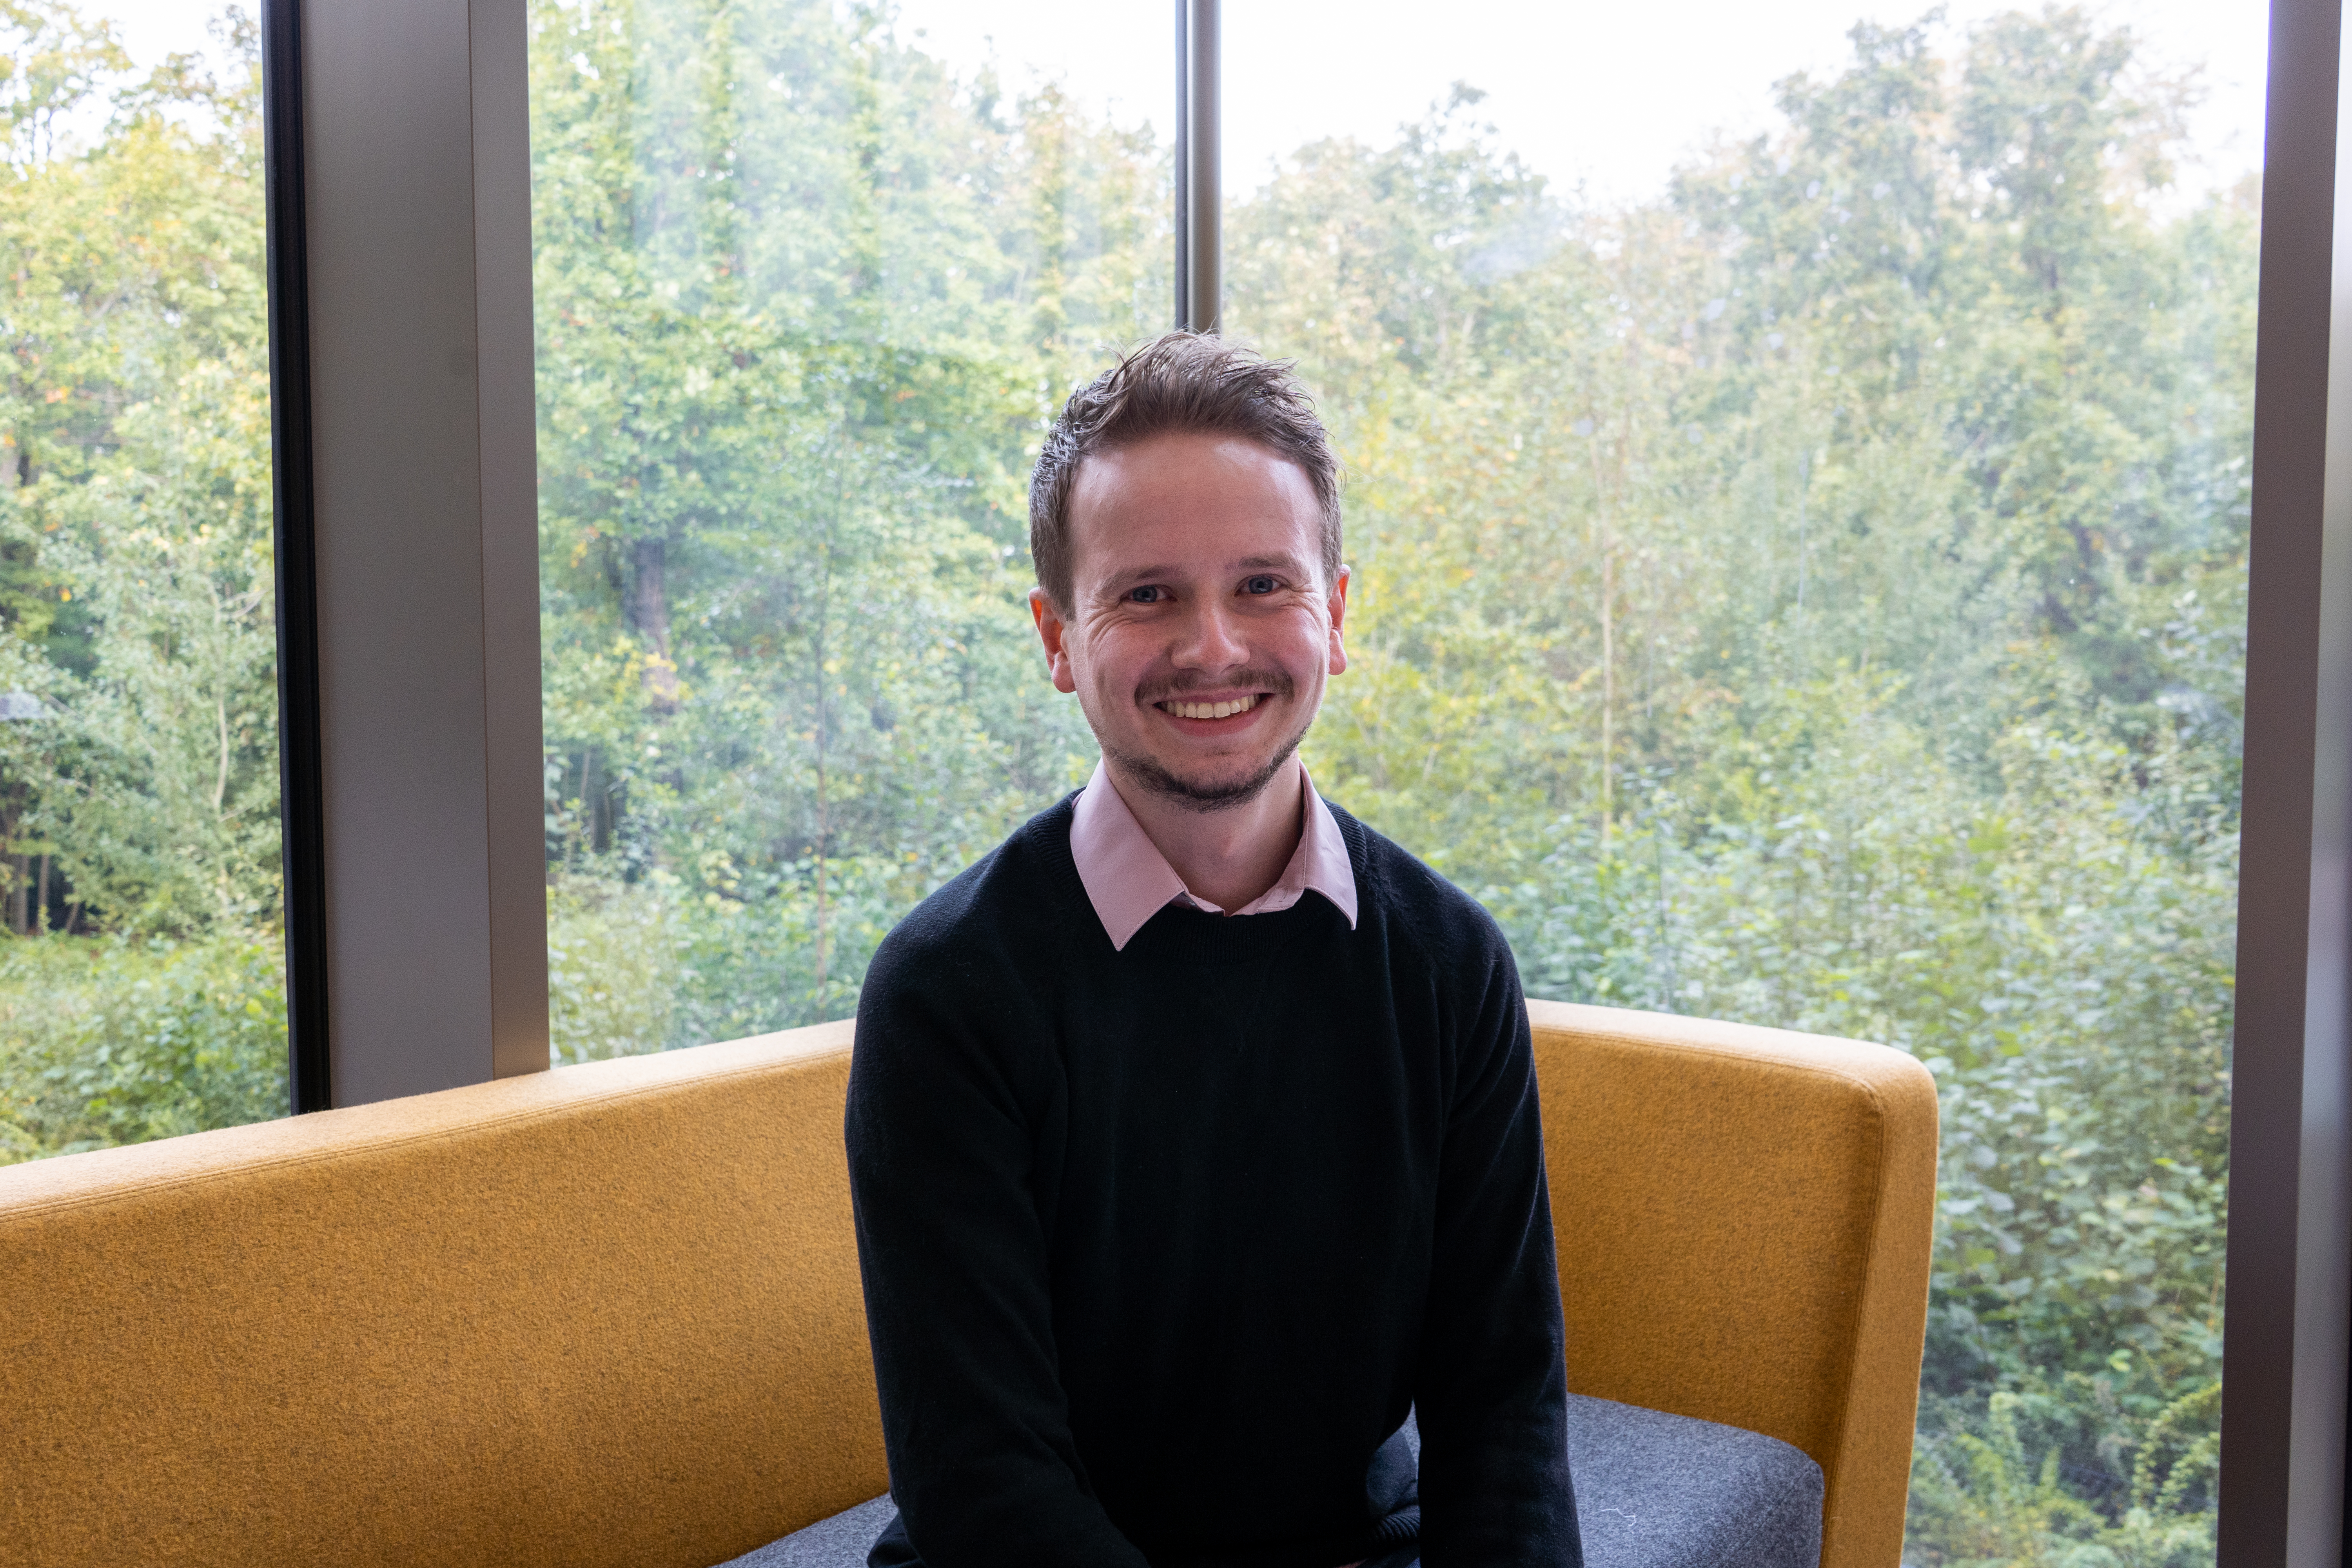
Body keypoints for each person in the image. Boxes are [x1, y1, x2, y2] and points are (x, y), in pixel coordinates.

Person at [844, 332, 1579, 1568]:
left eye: (1262, 585)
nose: (1215, 648)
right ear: (1057, 638)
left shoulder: (1450, 967)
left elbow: (1502, 1412)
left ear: (1334, 614)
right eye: (1147, 594)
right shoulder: (948, 994)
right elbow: (984, 1479)